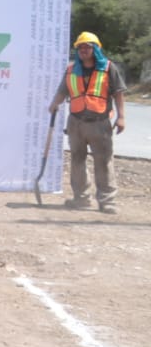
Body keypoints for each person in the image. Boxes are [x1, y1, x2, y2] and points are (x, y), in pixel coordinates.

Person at [49, 31, 127, 214]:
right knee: (77, 160)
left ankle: (107, 201)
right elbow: (63, 91)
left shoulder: (108, 68)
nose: (84, 50)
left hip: (99, 122)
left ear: (96, 49)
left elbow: (118, 93)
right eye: (81, 47)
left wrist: (121, 116)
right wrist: (54, 104)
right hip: (76, 122)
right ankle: (81, 199)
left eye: (88, 47)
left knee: (103, 160)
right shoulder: (71, 69)